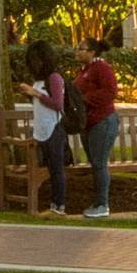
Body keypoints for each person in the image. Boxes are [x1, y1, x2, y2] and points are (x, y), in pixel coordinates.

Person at [13, 41, 68, 216]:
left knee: (57, 169)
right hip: (41, 129)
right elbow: (41, 105)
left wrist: (36, 93)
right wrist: (31, 95)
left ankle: (59, 205)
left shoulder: (54, 78)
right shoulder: (38, 81)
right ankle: (52, 203)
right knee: (50, 168)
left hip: (54, 129)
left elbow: (58, 104)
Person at [73, 39, 120, 219]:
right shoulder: (85, 70)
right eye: (77, 49)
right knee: (95, 163)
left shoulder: (102, 68)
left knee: (100, 163)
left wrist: (85, 99)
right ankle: (98, 202)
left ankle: (103, 205)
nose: (77, 52)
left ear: (92, 52)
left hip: (103, 122)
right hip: (89, 123)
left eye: (81, 49)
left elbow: (110, 92)